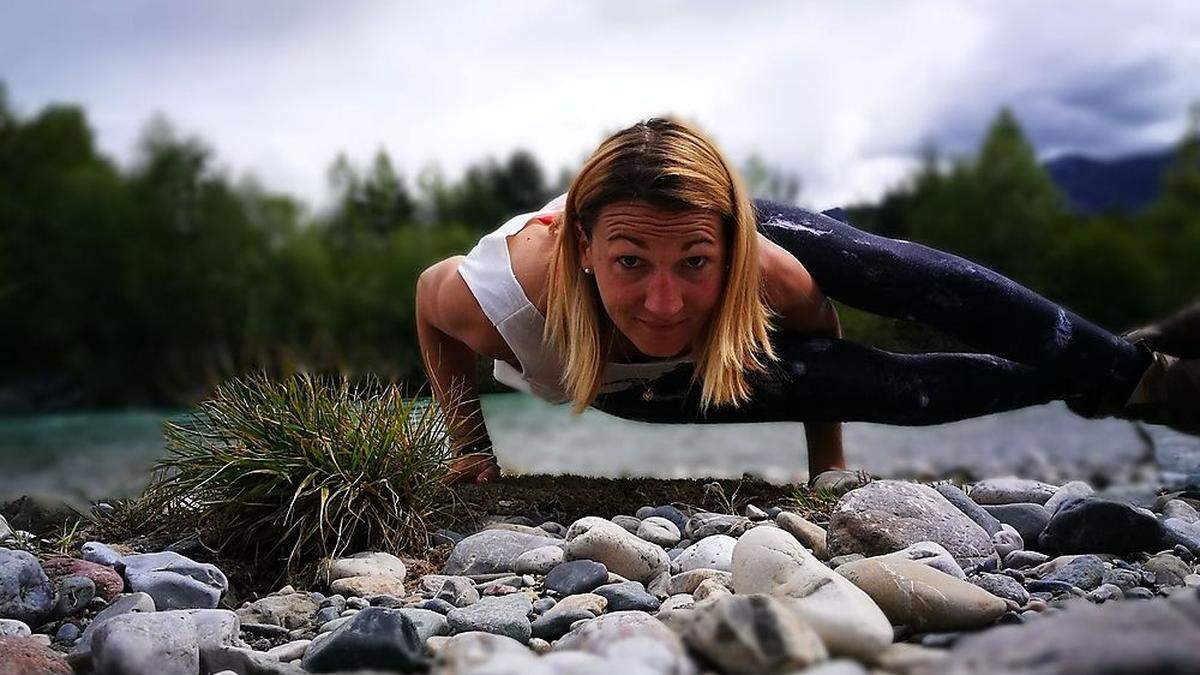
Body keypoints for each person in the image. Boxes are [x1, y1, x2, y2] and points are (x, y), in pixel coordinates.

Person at [415, 116, 1199, 487]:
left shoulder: (761, 267)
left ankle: (1149, 373)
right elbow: (426, 301)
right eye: (628, 263)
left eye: (694, 263)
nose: (661, 301)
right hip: (640, 385)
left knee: (887, 282)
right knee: (906, 396)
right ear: (583, 248)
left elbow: (825, 344)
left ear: (728, 248)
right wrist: (470, 447)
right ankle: (1130, 356)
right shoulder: (500, 300)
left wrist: (826, 465)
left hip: (746, 249)